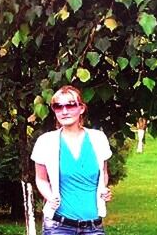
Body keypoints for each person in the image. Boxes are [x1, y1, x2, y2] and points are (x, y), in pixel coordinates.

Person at [31, 85, 113, 235]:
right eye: (58, 106)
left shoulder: (98, 139)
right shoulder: (45, 142)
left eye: (70, 105)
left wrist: (104, 189)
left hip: (93, 227)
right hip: (58, 226)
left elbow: (104, 174)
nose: (64, 111)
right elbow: (41, 179)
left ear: (81, 108)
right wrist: (49, 196)